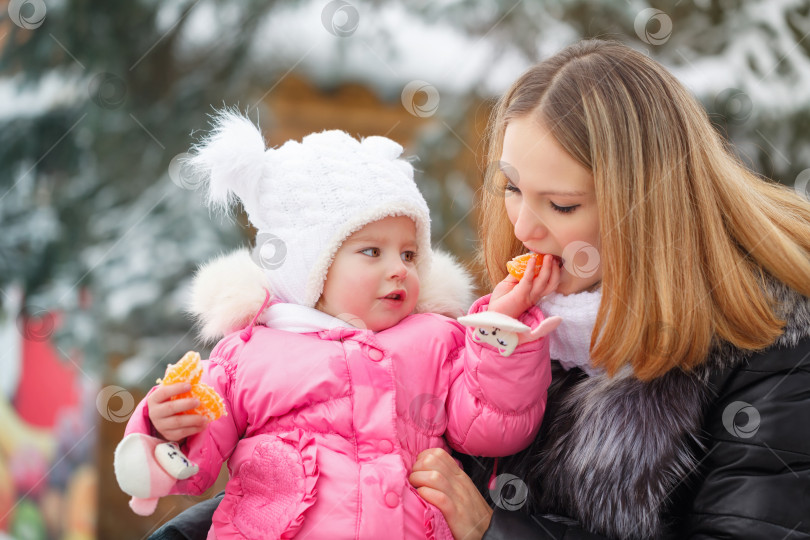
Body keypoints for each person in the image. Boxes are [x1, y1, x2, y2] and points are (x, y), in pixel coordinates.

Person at [407, 39, 810, 539]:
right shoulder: (497, 327)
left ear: (646, 207)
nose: (525, 229)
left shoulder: (775, 352)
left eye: (562, 204)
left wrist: (494, 530)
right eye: (512, 188)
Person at [114, 112, 564, 539]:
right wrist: (163, 428)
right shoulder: (246, 356)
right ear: (313, 266)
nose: (399, 269)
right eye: (372, 252)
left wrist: (501, 330)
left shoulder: (434, 339)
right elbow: (195, 463)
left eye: (409, 254)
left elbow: (492, 426)